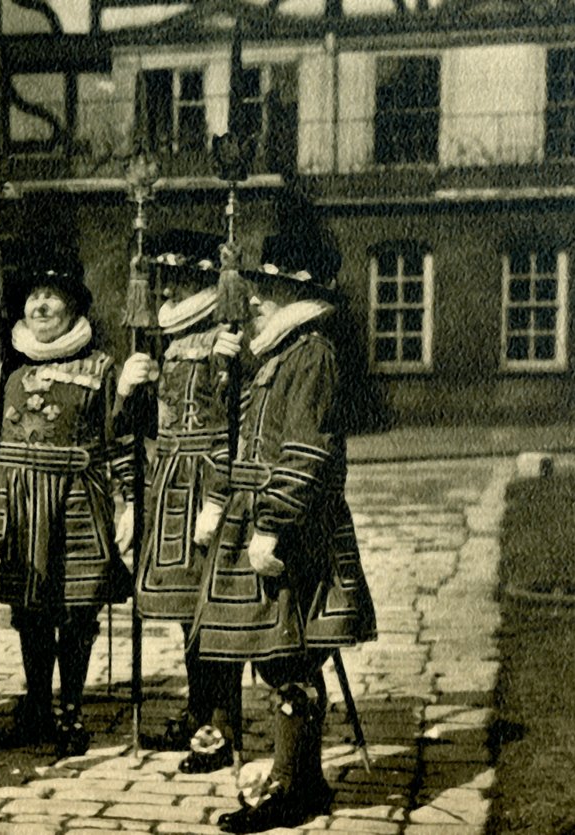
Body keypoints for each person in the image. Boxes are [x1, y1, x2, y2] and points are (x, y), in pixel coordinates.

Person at [191, 224, 378, 834]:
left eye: (269, 287)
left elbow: (307, 451)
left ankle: (295, 786)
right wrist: (220, 497)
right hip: (257, 512)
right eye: (258, 285)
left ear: (298, 295)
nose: (256, 297)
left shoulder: (313, 354)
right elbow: (241, 437)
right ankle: (303, 781)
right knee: (275, 657)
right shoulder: (273, 352)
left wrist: (271, 527)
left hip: (294, 525)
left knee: (291, 657)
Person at [0, 245, 136, 758]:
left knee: (76, 609)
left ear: (75, 308)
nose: (41, 305)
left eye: (53, 296)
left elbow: (120, 440)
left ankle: (70, 707)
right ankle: (36, 702)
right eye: (34, 295)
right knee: (30, 611)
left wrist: (130, 504)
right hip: (22, 508)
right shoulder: (6, 368)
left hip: (77, 503)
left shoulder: (101, 368)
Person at [115, 229, 246, 773]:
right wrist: (126, 391)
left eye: (185, 278)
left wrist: (221, 496)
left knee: (216, 608)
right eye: (168, 278)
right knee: (183, 611)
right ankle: (198, 711)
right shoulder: (160, 344)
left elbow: (240, 428)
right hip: (167, 484)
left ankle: (221, 721)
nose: (172, 288)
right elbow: (128, 432)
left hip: (212, 482)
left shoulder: (228, 340)